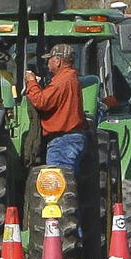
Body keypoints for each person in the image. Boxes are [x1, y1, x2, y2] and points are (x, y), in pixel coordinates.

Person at [25, 42, 88, 175]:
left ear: (58, 61)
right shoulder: (71, 77)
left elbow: (41, 101)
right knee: (67, 180)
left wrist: (31, 81)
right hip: (71, 138)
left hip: (63, 141)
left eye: (49, 60)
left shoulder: (62, 80)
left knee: (58, 182)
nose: (48, 64)